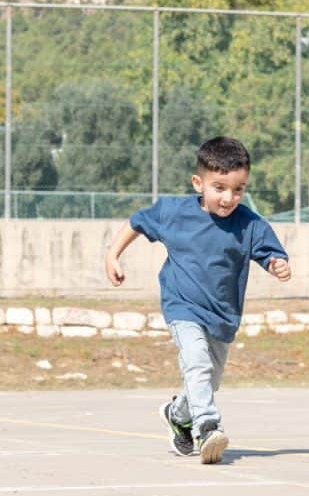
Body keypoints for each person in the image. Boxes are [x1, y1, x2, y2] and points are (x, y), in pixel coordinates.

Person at [104, 136, 291, 463]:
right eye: (219, 188)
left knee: (208, 379)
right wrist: (112, 255)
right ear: (198, 183)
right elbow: (136, 222)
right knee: (197, 362)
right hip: (183, 307)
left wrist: (277, 264)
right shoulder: (174, 212)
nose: (228, 197)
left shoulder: (247, 223)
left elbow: (269, 252)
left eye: (238, 189)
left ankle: (178, 414)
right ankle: (207, 424)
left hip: (222, 316)